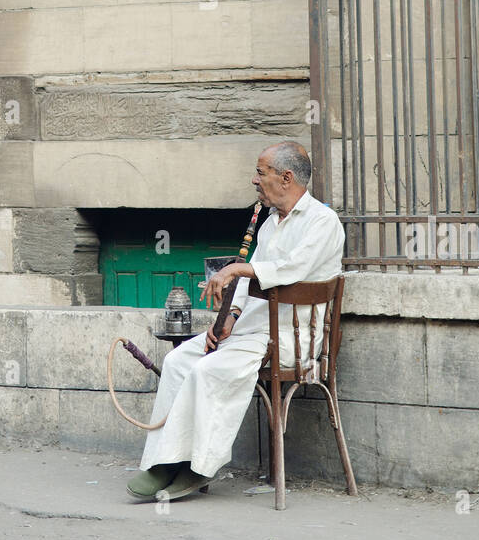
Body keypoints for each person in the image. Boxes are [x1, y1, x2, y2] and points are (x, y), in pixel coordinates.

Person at [127, 140, 345, 501]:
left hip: (289, 338)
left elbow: (293, 270)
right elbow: (246, 285)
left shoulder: (323, 222)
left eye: (261, 173)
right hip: (250, 329)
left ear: (286, 177)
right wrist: (228, 318)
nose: (254, 181)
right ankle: (166, 460)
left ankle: (199, 467)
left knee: (207, 371)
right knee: (179, 360)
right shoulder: (270, 223)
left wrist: (238, 267)